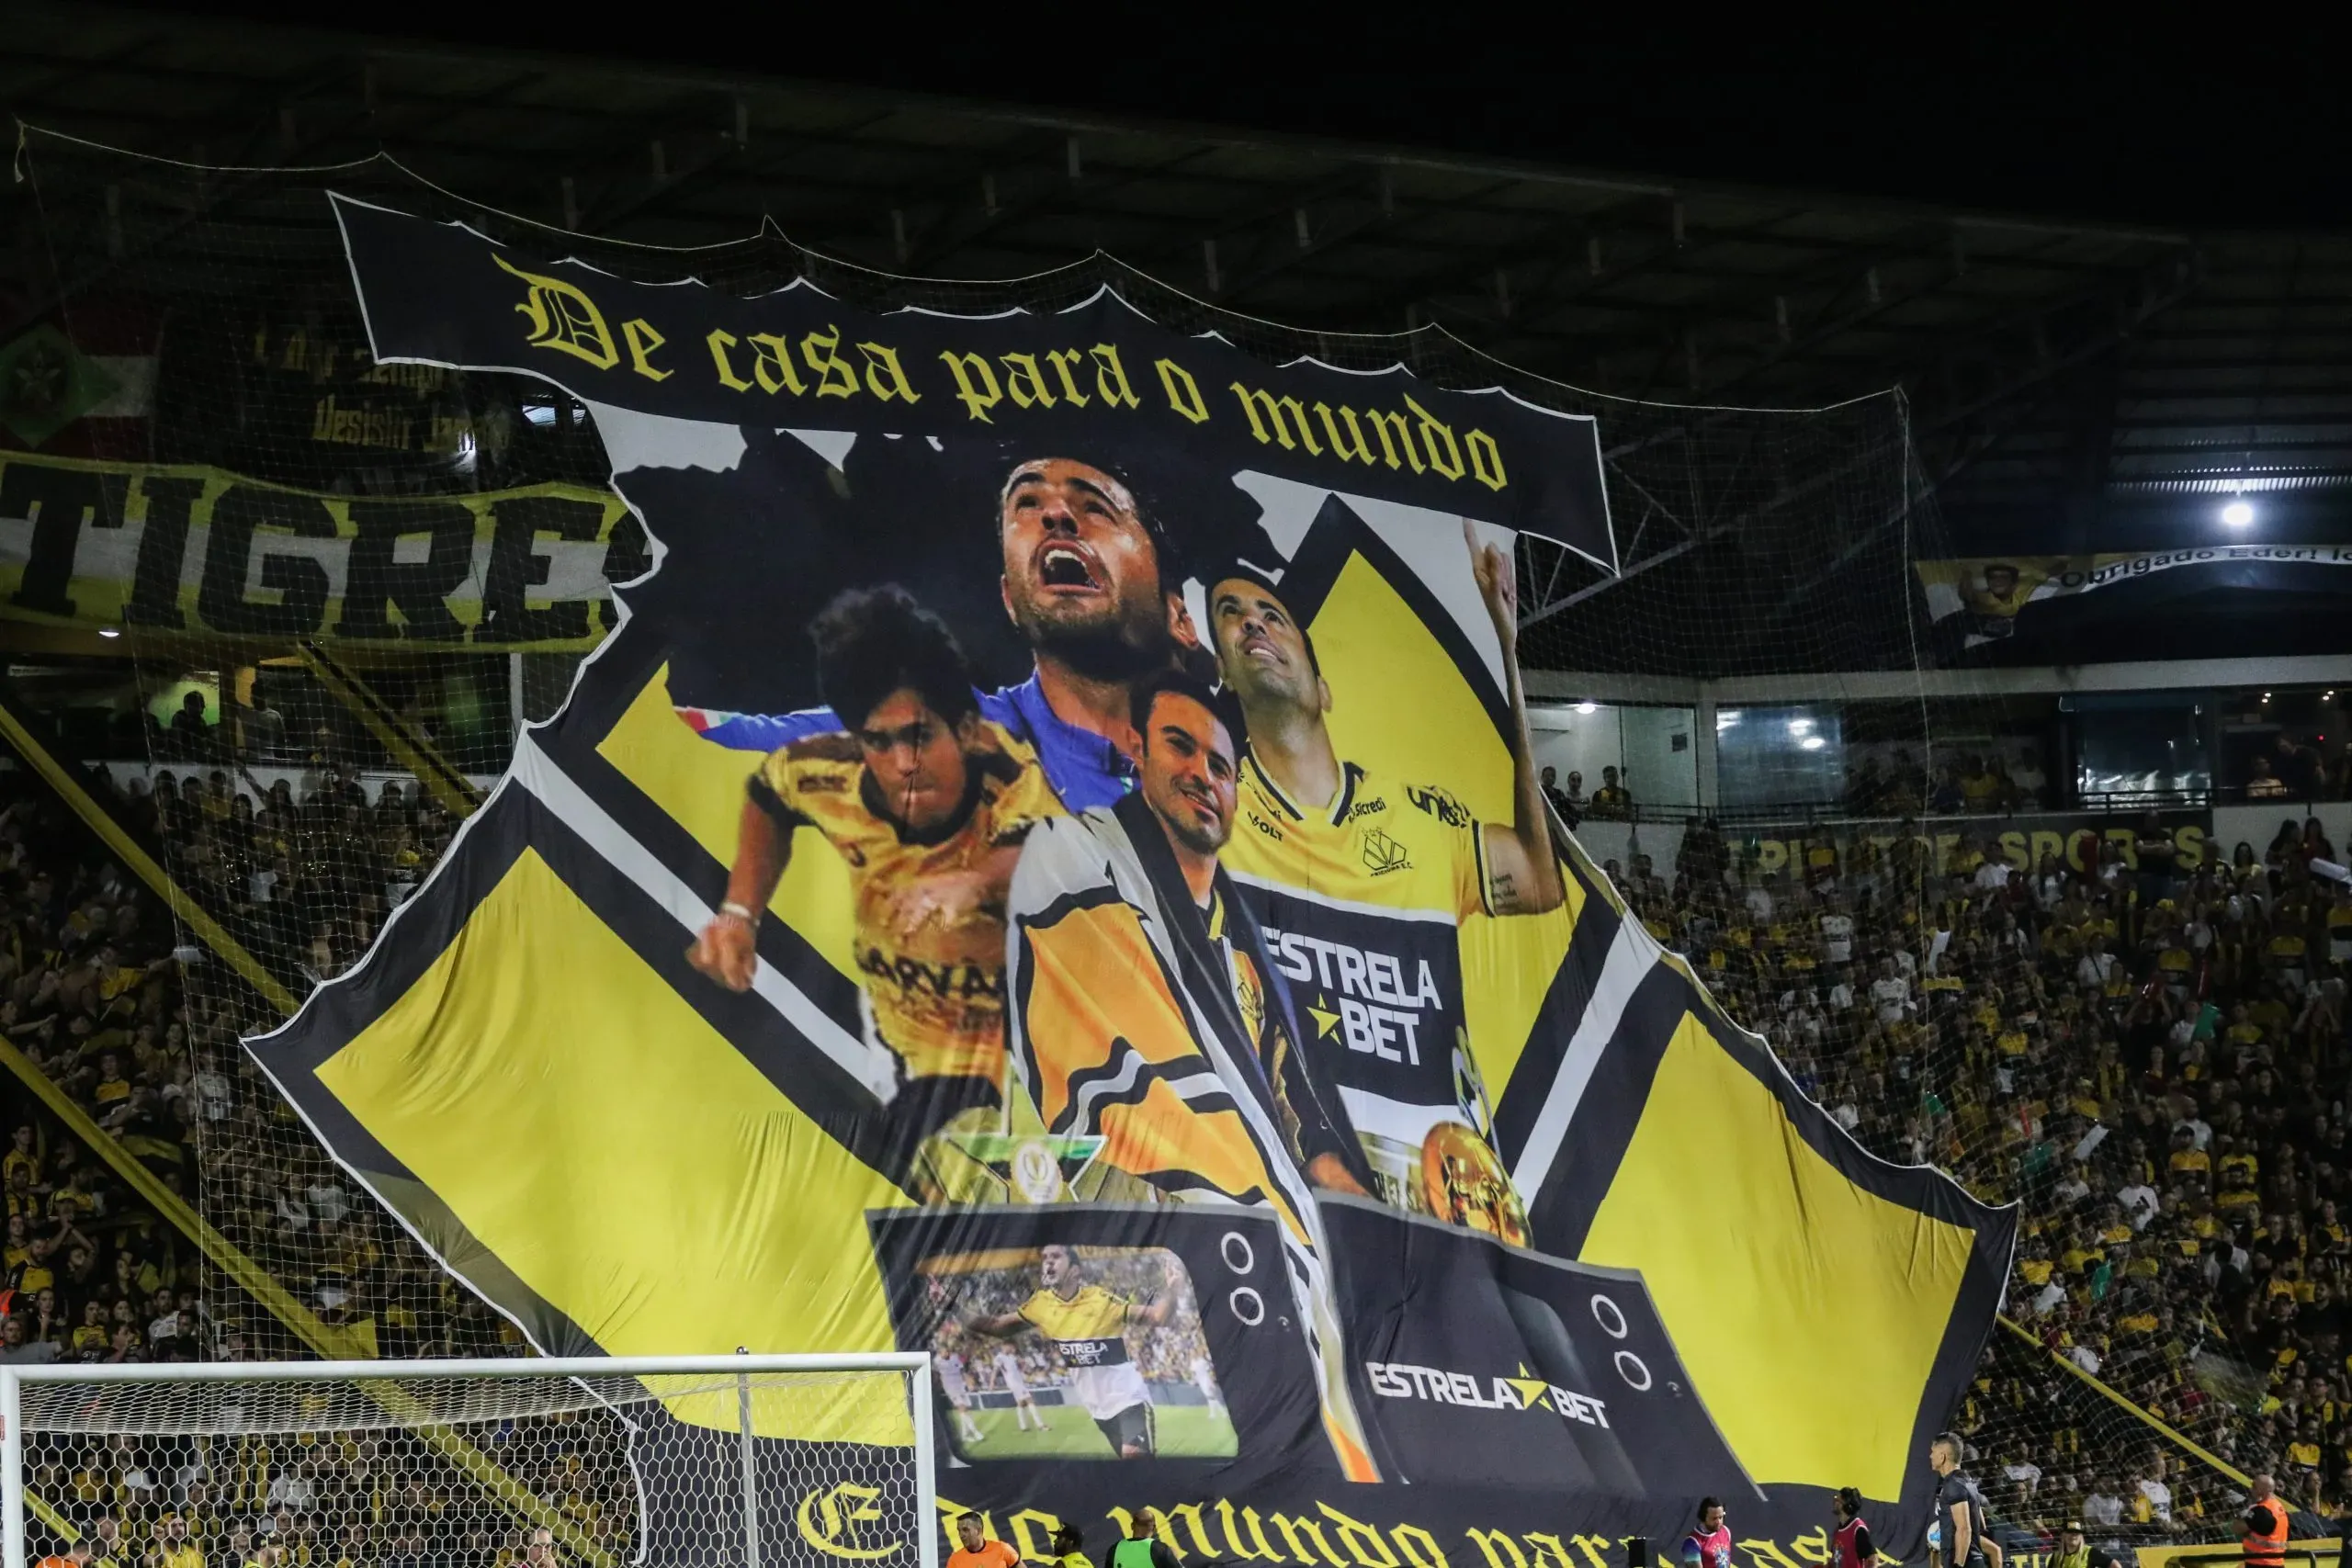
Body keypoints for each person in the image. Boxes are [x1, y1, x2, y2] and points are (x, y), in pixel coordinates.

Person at [1003, 669, 1379, 1481]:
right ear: (1135, 749)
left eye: (1220, 765)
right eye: (1181, 746)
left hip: (1288, 1274)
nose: (1202, 776)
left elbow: (1289, 1110)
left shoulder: (1243, 952)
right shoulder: (1078, 860)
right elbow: (1113, 1075)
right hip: (1198, 1237)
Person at [1206, 534, 1563, 1234]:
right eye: (1232, 613)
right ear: (1222, 670)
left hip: (1453, 1204)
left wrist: (1509, 653)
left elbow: (1539, 877)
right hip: (1295, 1205)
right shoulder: (1207, 815)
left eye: (1273, 615)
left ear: (1324, 688)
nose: (1253, 621)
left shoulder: (1421, 822)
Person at [685, 586, 1061, 1200]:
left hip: (1028, 1056)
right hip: (914, 1056)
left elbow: (1058, 852)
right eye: (878, 741)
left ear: (964, 730)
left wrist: (974, 880)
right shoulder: (825, 771)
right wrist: (738, 913)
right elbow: (769, 796)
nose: (900, 763)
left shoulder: (1008, 770)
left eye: (918, 736)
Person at [684, 457, 1200, 812]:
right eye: (1027, 504)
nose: (1055, 515)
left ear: (1180, 617)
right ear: (1010, 599)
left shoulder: (1243, 807)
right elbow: (714, 740)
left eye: (1095, 507)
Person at [960, 1244, 1176, 1458]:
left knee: (1132, 1456)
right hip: (1099, 1409)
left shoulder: (1100, 1300)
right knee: (1137, 1468)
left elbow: (1158, 1316)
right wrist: (952, 1306)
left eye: (1055, 1256)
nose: (1048, 1262)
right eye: (1045, 1258)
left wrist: (1173, 1287)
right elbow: (996, 1326)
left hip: (1129, 1398)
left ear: (1075, 1270)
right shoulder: (1041, 1305)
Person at [1928, 1431, 1989, 1568]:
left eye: (1932, 1452)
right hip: (1975, 1560)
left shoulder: (1953, 1485)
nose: (1930, 1456)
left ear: (1942, 1456)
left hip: (1964, 1563)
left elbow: (1964, 1529)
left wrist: (1958, 1564)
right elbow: (1981, 1525)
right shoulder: (1968, 1482)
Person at [934, 1348, 985, 1446]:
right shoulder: (937, 1362)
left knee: (966, 1410)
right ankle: (975, 1432)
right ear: (940, 1353)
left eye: (947, 1351)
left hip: (960, 1386)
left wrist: (969, 1383)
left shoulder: (955, 1358)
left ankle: (964, 1436)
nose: (946, 1353)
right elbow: (935, 1373)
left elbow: (962, 1372)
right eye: (943, 1352)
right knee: (962, 1408)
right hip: (950, 1388)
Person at [991, 1344, 1046, 1432]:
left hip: (1018, 1382)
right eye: (1011, 1347)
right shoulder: (999, 1358)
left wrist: (1024, 1367)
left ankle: (1023, 1426)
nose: (1013, 1349)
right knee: (1030, 1400)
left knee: (1021, 1403)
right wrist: (992, 1382)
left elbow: (1021, 1364)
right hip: (1014, 1383)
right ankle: (1040, 1425)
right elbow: (995, 1370)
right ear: (1005, 1346)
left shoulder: (1011, 1357)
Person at [2241, 1472, 2288, 1568]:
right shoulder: (2278, 1507)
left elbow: (2240, 1527)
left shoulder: (2264, 1511)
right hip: (2273, 1562)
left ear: (2263, 1489)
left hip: (2261, 1562)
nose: (2251, 1489)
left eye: (2254, 1486)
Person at [1106, 1509, 1181, 1568]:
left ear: (1132, 1526)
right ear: (1154, 1527)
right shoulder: (1160, 1549)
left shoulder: (1114, 1549)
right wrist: (1175, 1559)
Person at [946, 1515, 1019, 1568]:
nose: (961, 1535)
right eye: (959, 1531)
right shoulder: (955, 1560)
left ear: (978, 1531)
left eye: (965, 1530)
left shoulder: (1003, 1549)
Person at [1681, 1498, 1731, 1568]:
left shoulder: (1725, 1531)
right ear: (1704, 1517)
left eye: (1720, 1517)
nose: (1718, 1522)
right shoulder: (1691, 1543)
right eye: (1714, 1518)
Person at [1830, 1488, 1873, 1568]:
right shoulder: (1838, 1531)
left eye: (1837, 1499)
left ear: (1845, 1504)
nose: (1834, 1502)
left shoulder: (1858, 1528)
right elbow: (1836, 1561)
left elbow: (1872, 1557)